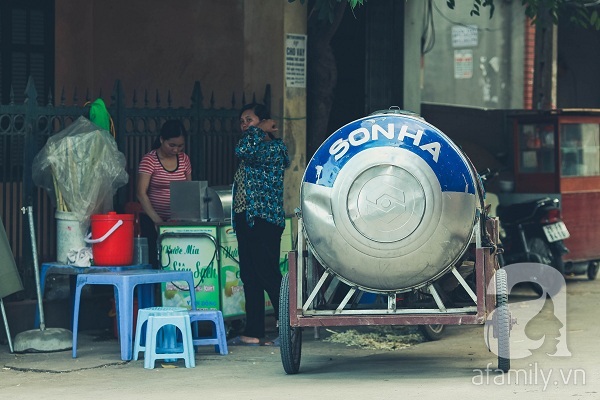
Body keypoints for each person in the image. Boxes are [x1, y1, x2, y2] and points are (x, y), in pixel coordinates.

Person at [229, 103, 290, 346]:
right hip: (246, 218)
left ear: (263, 122)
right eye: (242, 121)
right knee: (250, 276)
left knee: (269, 275)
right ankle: (253, 332)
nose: (244, 125)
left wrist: (260, 129)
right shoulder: (253, 146)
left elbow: (242, 149)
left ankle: (286, 330)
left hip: (265, 220)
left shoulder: (274, 148)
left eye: (249, 120)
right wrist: (257, 128)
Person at [137, 119, 192, 267]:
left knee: (178, 259)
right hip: (151, 219)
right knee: (155, 260)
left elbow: (188, 190)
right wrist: (158, 221)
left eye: (180, 146)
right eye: (172, 145)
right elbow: (141, 193)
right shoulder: (150, 160)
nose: (176, 150)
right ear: (162, 140)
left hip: (177, 221)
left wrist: (184, 219)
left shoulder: (184, 160)